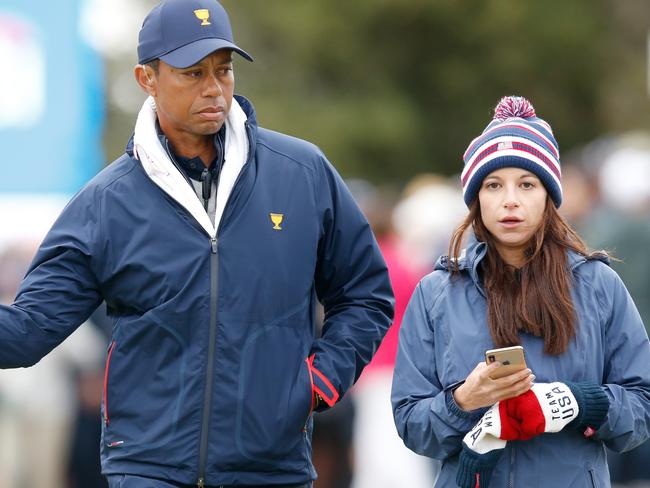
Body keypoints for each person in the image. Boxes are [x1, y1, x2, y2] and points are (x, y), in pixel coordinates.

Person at [0, 0, 394, 487]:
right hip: (147, 471)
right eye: (192, 73)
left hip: (272, 469)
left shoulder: (303, 173)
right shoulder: (104, 204)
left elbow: (366, 295)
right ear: (147, 78)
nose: (214, 89)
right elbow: (25, 331)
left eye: (223, 71)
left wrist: (317, 385)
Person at [391, 96, 650, 487]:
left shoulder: (598, 284)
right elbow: (412, 424)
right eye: (494, 185)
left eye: (527, 184)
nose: (510, 200)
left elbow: (642, 406)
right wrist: (464, 401)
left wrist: (576, 404)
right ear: (476, 197)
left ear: (548, 195)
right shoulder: (436, 293)